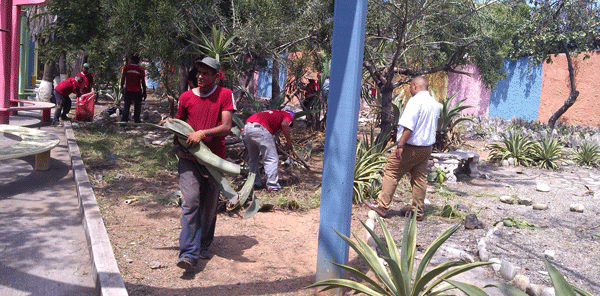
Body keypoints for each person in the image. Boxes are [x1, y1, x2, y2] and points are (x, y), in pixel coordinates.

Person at [173, 57, 236, 270]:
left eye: (206, 73)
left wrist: (202, 133)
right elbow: (179, 124)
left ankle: (205, 243)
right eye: (198, 72)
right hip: (189, 158)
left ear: (215, 76)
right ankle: (189, 253)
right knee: (191, 202)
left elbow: (226, 127)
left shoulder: (225, 95)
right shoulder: (185, 97)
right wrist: (170, 126)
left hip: (214, 159)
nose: (200, 76)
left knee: (209, 206)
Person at [364, 76, 441, 221]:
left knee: (391, 171)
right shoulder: (434, 103)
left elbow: (409, 126)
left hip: (411, 147)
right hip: (427, 147)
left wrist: (400, 145)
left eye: (411, 87)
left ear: (415, 86)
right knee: (419, 178)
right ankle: (417, 212)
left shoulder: (415, 101)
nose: (410, 90)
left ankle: (381, 207)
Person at [242, 109, 295, 192]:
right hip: (260, 128)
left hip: (247, 128)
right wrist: (289, 143)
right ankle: (273, 186)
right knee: (271, 159)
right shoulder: (288, 115)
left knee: (253, 159)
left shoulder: (273, 113)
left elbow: (268, 133)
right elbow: (284, 124)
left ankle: (254, 183)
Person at [120, 55, 147, 123]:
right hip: (137, 91)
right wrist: (144, 92)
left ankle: (124, 120)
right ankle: (137, 120)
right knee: (137, 106)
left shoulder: (127, 68)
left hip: (128, 90)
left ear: (131, 60)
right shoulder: (140, 69)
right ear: (138, 61)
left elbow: (123, 78)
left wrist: (121, 87)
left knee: (126, 105)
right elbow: (143, 82)